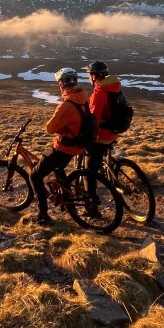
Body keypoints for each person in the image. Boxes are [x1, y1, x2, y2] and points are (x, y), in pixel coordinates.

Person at [31, 67, 91, 226]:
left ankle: (42, 214)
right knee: (58, 168)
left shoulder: (66, 105)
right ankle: (67, 201)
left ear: (61, 85)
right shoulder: (84, 98)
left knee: (35, 175)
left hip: (65, 147)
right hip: (80, 145)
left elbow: (50, 129)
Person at [85, 61, 123, 198]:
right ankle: (106, 171)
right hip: (114, 132)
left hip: (103, 136)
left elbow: (93, 120)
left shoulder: (99, 94)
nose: (88, 77)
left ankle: (91, 205)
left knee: (89, 168)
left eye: (89, 74)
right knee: (98, 158)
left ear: (94, 76)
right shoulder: (114, 88)